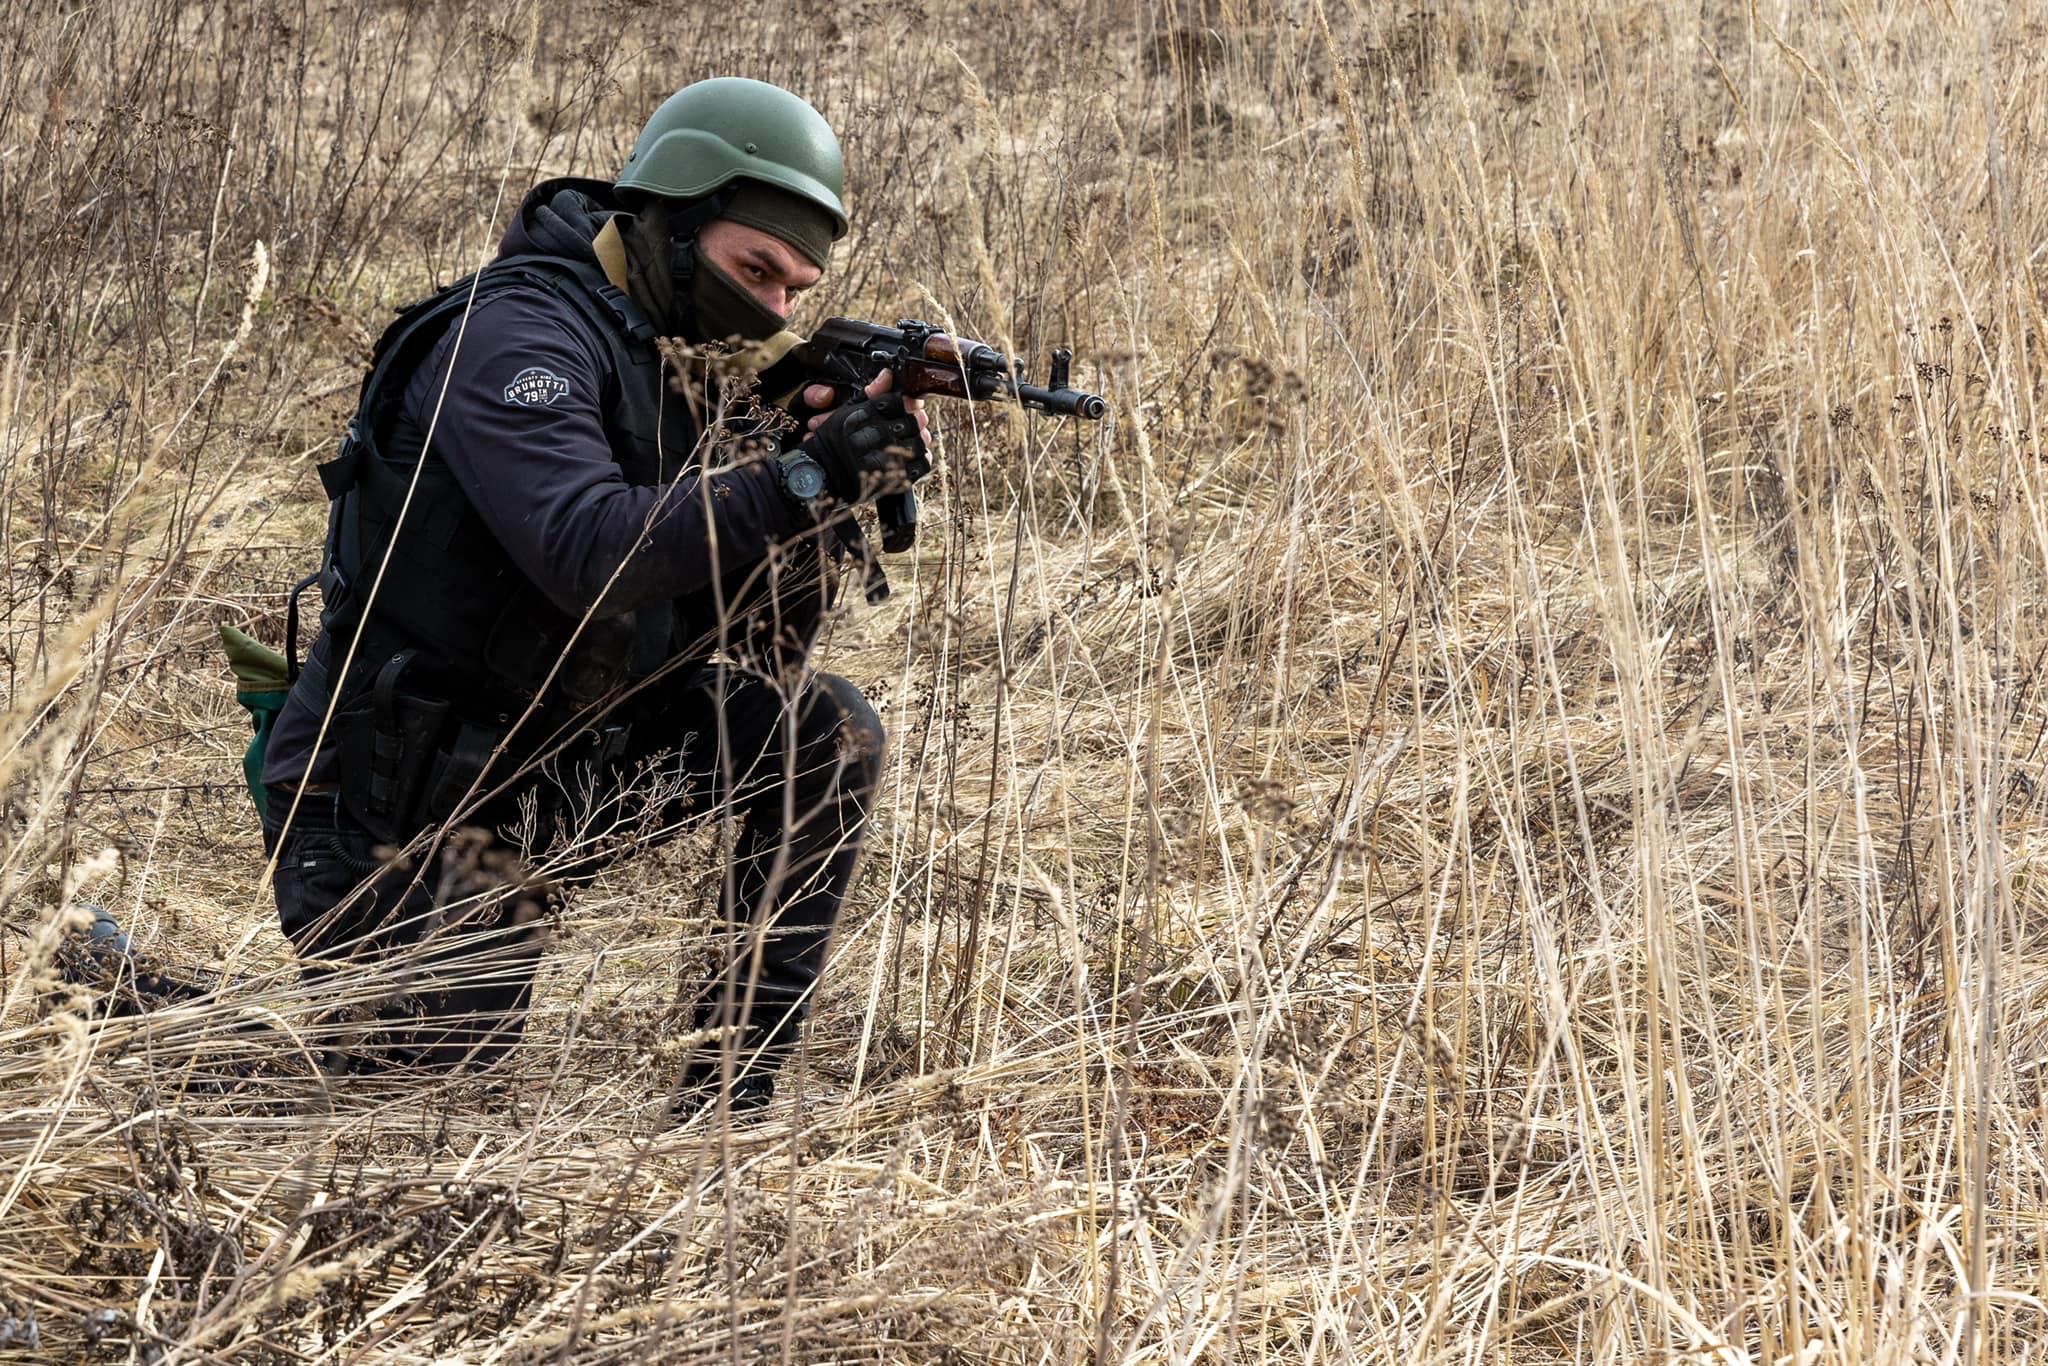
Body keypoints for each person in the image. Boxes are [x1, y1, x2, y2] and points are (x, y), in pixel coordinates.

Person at [251, 77, 928, 1111]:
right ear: (672, 216)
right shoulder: (516, 338)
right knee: (411, 1103)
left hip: (560, 768)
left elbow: (746, 647)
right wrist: (801, 475)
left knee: (823, 730)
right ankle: (110, 1015)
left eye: (794, 288)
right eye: (753, 269)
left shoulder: (670, 352)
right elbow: (588, 551)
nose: (770, 308)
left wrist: (812, 478)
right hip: (398, 800)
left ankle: (725, 1113)